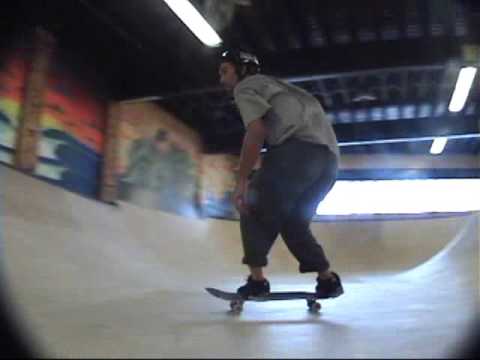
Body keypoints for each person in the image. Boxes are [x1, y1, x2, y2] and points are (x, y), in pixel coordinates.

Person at [218, 49, 344, 299]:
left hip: (296, 154)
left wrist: (241, 180)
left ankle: (257, 281)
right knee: (294, 223)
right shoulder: (286, 89)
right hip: (329, 163)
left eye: (225, 71)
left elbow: (256, 132)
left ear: (241, 70)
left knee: (250, 205)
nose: (221, 79)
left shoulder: (246, 87)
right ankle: (327, 279)